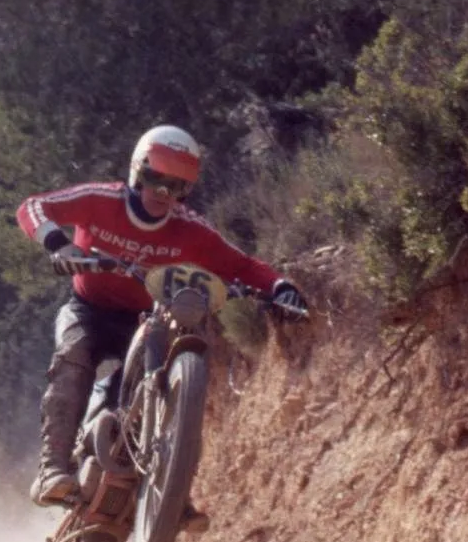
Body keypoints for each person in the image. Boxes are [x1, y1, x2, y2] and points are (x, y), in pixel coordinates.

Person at [16, 124, 308, 513]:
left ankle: (174, 487)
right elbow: (32, 207)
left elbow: (243, 265)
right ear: (137, 171)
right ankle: (53, 469)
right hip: (88, 309)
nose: (163, 194)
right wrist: (59, 244)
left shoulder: (190, 230)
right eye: (156, 179)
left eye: (177, 187)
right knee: (74, 356)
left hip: (142, 318)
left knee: (173, 376)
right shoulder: (100, 200)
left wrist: (280, 286)